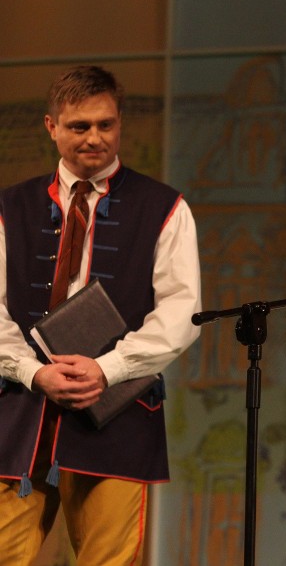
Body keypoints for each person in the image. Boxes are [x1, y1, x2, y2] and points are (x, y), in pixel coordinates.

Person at [0, 65, 201, 565]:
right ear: (51, 126)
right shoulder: (11, 207)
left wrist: (107, 369)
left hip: (117, 412)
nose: (94, 138)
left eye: (105, 125)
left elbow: (180, 311)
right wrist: (33, 371)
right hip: (23, 409)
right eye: (79, 126)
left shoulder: (164, 207)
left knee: (108, 561)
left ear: (120, 123)